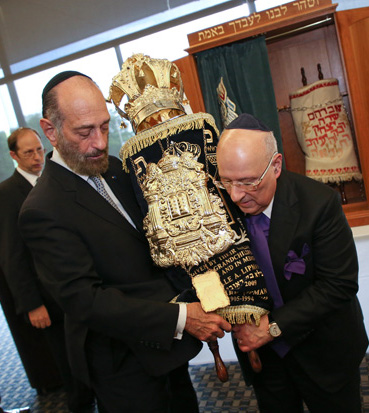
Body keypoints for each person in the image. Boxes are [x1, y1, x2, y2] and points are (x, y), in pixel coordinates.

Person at [18, 71, 231, 413]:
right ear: (50, 131)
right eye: (84, 132)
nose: (100, 142)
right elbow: (85, 301)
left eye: (104, 126)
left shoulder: (115, 168)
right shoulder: (42, 208)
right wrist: (180, 318)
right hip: (121, 361)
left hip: (166, 347)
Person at [215, 113, 368, 412]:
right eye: (226, 181)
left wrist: (271, 327)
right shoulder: (220, 209)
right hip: (265, 359)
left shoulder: (319, 203)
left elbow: (339, 284)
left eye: (248, 182)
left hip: (324, 349)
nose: (236, 195)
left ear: (276, 166)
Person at [0, 127, 95, 412]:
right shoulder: (6, 193)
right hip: (46, 298)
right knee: (68, 364)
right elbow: (12, 256)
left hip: (76, 287)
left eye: (39, 149)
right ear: (13, 156)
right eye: (28, 152)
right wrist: (32, 304)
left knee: (90, 354)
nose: (37, 156)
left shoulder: (55, 180)